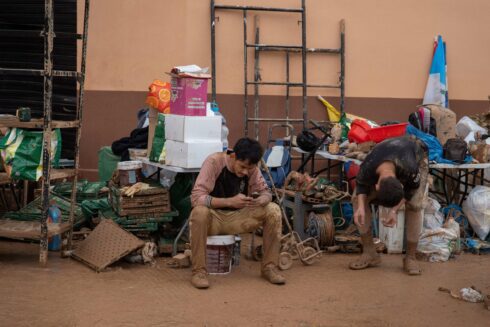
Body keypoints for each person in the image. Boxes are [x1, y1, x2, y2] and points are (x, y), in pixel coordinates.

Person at [189, 137, 285, 289]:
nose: (245, 172)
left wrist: (263, 199)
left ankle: (269, 267)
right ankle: (199, 271)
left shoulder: (252, 168)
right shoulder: (214, 162)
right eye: (242, 166)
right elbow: (196, 198)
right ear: (233, 156)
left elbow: (267, 192)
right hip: (214, 219)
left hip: (239, 218)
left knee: (273, 209)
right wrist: (229, 202)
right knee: (199, 212)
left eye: (250, 168)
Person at [349, 135, 428, 275]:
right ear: (376, 185)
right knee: (357, 199)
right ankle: (369, 253)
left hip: (416, 154)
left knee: (415, 205)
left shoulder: (410, 169)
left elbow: (410, 191)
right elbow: (361, 184)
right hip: (386, 151)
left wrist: (394, 211)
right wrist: (360, 207)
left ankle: (410, 257)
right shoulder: (368, 166)